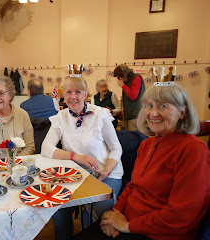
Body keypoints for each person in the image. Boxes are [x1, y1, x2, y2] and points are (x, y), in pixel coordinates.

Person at [74, 83, 210, 240]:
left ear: (182, 112)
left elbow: (181, 215)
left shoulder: (193, 150)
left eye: (163, 106)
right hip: (127, 223)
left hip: (158, 233)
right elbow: (133, 186)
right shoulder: (146, 145)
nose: (153, 113)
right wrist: (114, 214)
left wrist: (127, 226)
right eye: (149, 105)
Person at [41, 76, 123, 240]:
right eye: (69, 92)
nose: (73, 97)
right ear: (64, 94)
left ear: (86, 93)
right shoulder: (61, 118)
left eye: (78, 92)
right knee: (59, 211)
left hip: (106, 174)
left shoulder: (100, 115)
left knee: (95, 214)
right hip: (76, 176)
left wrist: (106, 172)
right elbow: (46, 148)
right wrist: (75, 156)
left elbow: (116, 148)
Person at [113, 64, 145, 131]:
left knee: (134, 137)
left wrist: (123, 85)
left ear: (124, 75)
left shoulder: (136, 78)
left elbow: (133, 96)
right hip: (128, 114)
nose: (118, 80)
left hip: (135, 115)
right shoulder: (127, 80)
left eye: (119, 78)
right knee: (128, 135)